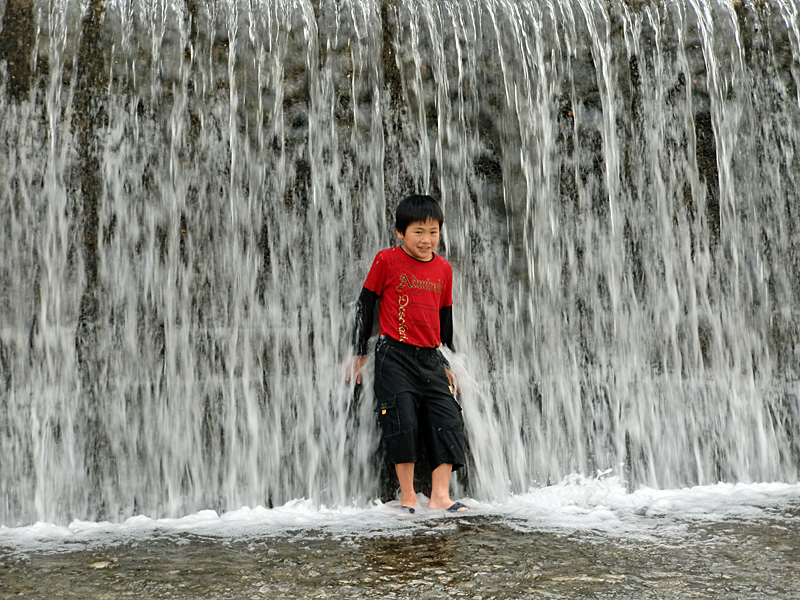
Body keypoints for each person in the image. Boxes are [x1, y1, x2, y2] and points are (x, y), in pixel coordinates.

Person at [346, 194, 467, 513]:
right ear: (400, 233)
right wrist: (358, 352)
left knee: (448, 418)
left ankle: (441, 496)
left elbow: (446, 318)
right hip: (393, 354)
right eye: (418, 232)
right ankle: (408, 496)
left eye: (433, 232)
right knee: (402, 420)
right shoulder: (386, 260)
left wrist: (450, 360)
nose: (427, 240)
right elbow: (366, 304)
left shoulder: (444, 269)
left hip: (431, 357)